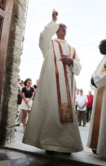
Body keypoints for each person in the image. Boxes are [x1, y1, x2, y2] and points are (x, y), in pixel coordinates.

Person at [23, 10, 83, 154]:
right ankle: (50, 145)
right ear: (56, 30)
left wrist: (72, 61)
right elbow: (42, 37)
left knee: (66, 116)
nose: (63, 28)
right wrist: (54, 20)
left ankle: (66, 145)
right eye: (60, 26)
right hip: (52, 88)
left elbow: (79, 68)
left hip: (67, 90)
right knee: (51, 113)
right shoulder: (50, 44)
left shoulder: (72, 49)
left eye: (64, 27)